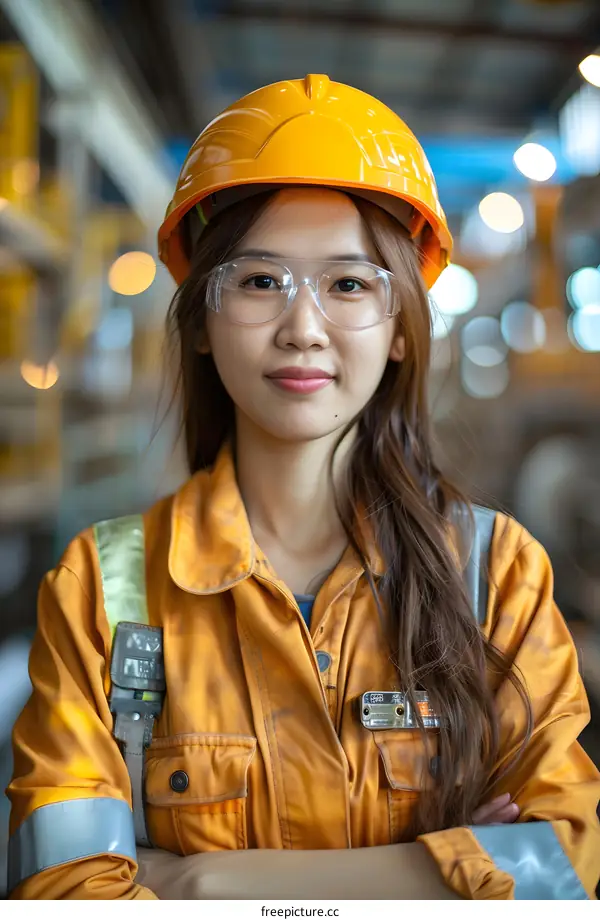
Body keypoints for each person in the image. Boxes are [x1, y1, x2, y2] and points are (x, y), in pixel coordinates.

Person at [6, 74, 600, 900]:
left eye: (349, 284)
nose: (304, 327)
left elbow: (565, 868)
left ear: (399, 331)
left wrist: (205, 881)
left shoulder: (494, 574)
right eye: (259, 281)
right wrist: (437, 875)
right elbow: (62, 891)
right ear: (204, 322)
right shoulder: (103, 592)